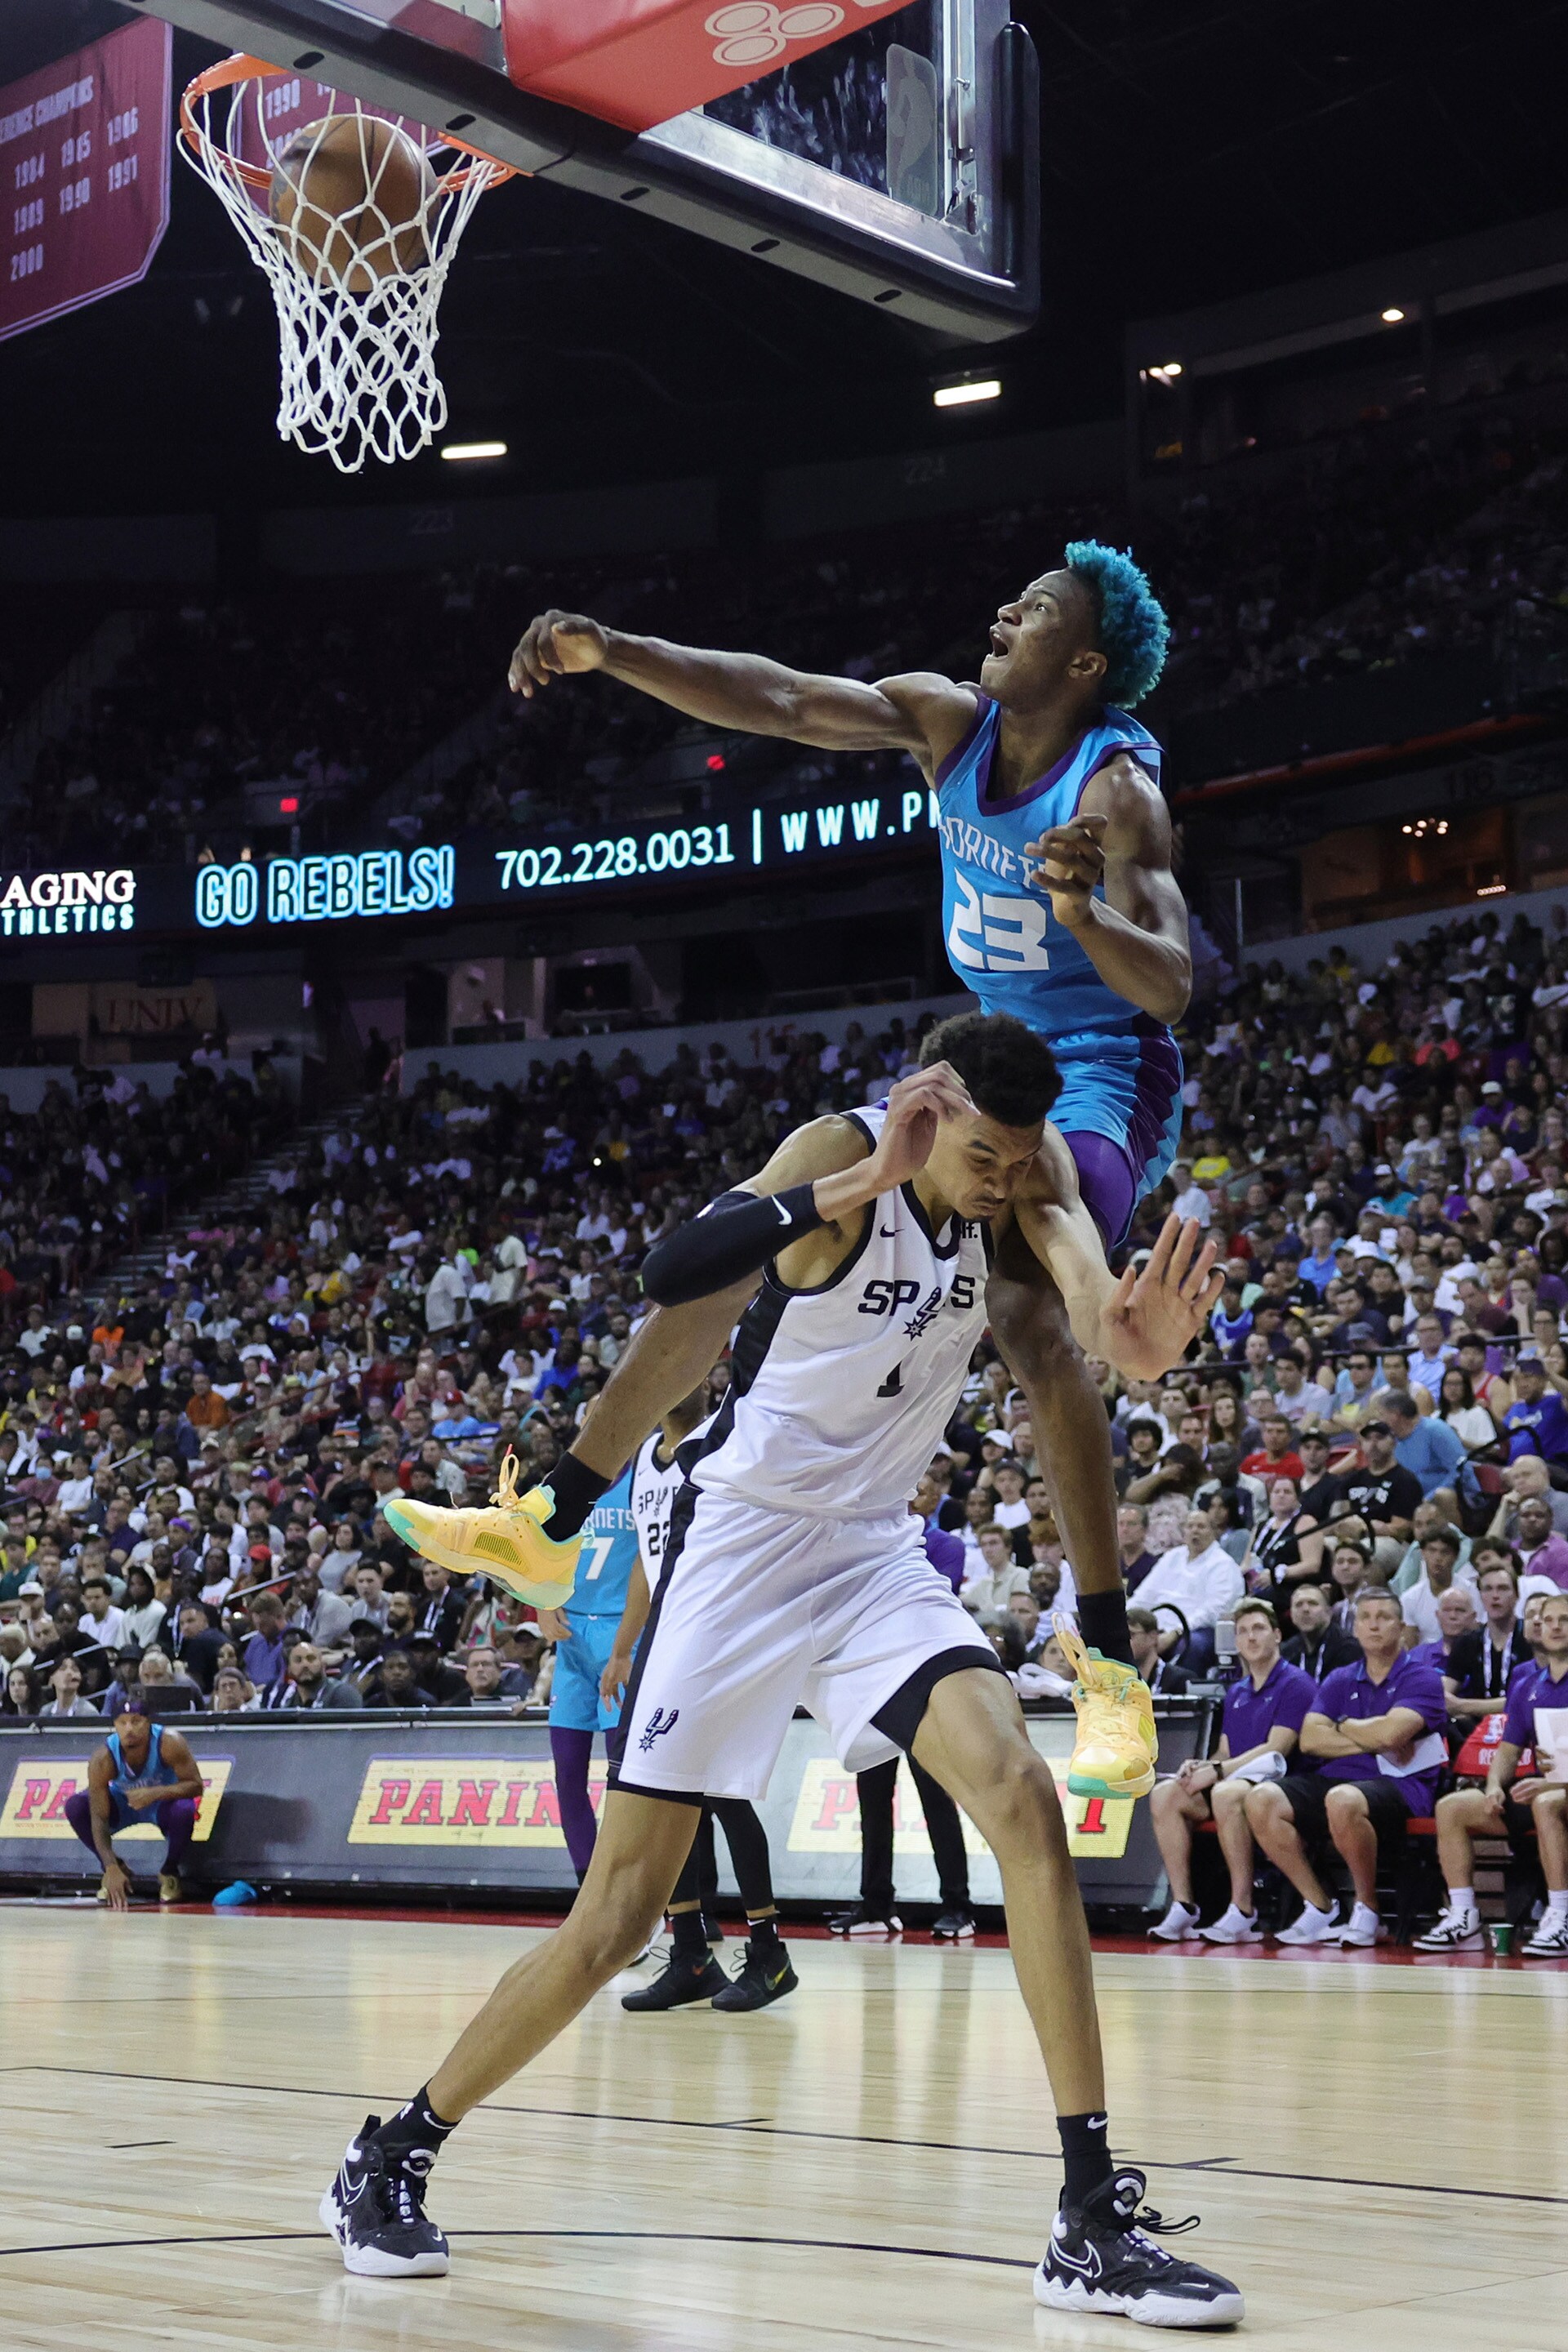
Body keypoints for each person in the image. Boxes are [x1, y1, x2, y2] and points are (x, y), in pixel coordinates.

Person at [327, 1022, 1241, 2324]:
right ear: (929, 1106)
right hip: (737, 1550)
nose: (1003, 1177)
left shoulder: (1024, 1187)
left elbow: (1085, 1321)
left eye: (1022, 1156)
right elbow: (674, 1274)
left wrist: (1127, 1337)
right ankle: (394, 2149)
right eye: (982, 1150)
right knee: (619, 1921)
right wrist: (854, 1187)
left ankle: (1088, 2217)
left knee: (1024, 1802)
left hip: (870, 1555)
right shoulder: (844, 1151)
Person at [388, 551, 1216, 1808]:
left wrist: (1088, 916)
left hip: (1101, 1066)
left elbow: (1175, 984)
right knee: (768, 1224)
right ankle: (551, 1516)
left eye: (1039, 610)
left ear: (1087, 663)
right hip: (985, 1037)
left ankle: (1109, 1667)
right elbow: (778, 700)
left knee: (1028, 1314)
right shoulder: (951, 719)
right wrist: (613, 647)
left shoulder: (1114, 785)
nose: (1004, 610)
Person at [614, 1385, 803, 2012]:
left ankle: (770, 1953)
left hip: (722, 1627)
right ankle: (692, 1951)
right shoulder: (645, 1456)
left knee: (722, 1792)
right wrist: (624, 1647)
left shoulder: (729, 1431)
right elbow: (645, 1557)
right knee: (668, 1788)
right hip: (667, 1637)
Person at [1243, 1591, 1448, 1947]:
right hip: (1337, 1777)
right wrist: (1372, 1734)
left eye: (1384, 1617)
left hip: (1400, 1783)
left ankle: (1367, 1908)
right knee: (1261, 1799)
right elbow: (1309, 1739)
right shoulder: (1340, 1678)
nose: (1373, 1624)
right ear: (1354, 1628)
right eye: (1365, 1617)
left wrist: (1343, 1724)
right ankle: (1321, 1905)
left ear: (1401, 1628)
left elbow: (1393, 1734)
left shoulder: (1422, 1677)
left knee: (1342, 1800)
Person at [1149, 1600, 1315, 1943]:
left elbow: (1277, 1748)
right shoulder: (1237, 1691)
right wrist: (1202, 1765)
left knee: (1224, 1793)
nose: (1250, 1637)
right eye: (1242, 1631)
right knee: (1165, 1793)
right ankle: (1183, 1904)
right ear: (1235, 1642)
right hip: (1237, 1779)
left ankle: (1242, 1910)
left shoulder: (1296, 1683)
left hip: (1282, 1782)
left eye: (1258, 1629)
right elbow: (1224, 1750)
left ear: (1277, 1635)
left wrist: (1220, 1771)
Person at [1414, 1589, 1568, 1954]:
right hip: (1543, 1790)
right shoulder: (1528, 1686)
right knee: (1452, 1807)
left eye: (1564, 1620)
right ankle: (1464, 1915)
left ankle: (1561, 1915)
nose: (1555, 1627)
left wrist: (1558, 1782)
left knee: (1546, 1802)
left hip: (1554, 1792)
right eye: (1549, 1620)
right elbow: (1508, 1749)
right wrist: (1496, 1784)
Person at [62, 1699, 205, 1907]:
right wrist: (110, 1865)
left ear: (148, 1723)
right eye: (122, 1722)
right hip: (124, 1804)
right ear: (115, 1726)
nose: (129, 1728)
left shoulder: (170, 1742)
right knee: (76, 1806)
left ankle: (170, 1871)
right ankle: (116, 1872)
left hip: (161, 1803)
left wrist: (155, 1793)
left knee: (185, 1809)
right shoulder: (103, 1758)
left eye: (136, 1721)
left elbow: (196, 1786)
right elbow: (99, 1817)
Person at [1131, 1508, 1242, 1674]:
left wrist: (1177, 1631)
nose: (1194, 1531)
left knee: (1193, 1644)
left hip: (1195, 1630)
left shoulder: (1224, 1564)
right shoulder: (1171, 1557)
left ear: (1214, 1532)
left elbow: (1215, 1611)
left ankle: (1180, 1693)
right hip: (1157, 1627)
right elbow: (1144, 1596)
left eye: (1201, 1526)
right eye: (1190, 1526)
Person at [1443, 1561, 1534, 1719]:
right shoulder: (1466, 1642)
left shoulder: (1531, 1638)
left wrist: (1463, 1706)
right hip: (1476, 1729)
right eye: (1488, 1589)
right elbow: (1445, 1694)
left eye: (1503, 1588)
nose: (1495, 1596)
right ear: (1480, 1596)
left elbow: (1526, 1699)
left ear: (1517, 1595)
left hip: (1520, 1723)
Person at [1280, 1581, 1360, 1681]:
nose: (1305, 1609)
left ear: (1329, 1612)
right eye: (1298, 1605)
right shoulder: (1287, 1652)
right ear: (1291, 1614)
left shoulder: (1349, 1649)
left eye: (1313, 1603)